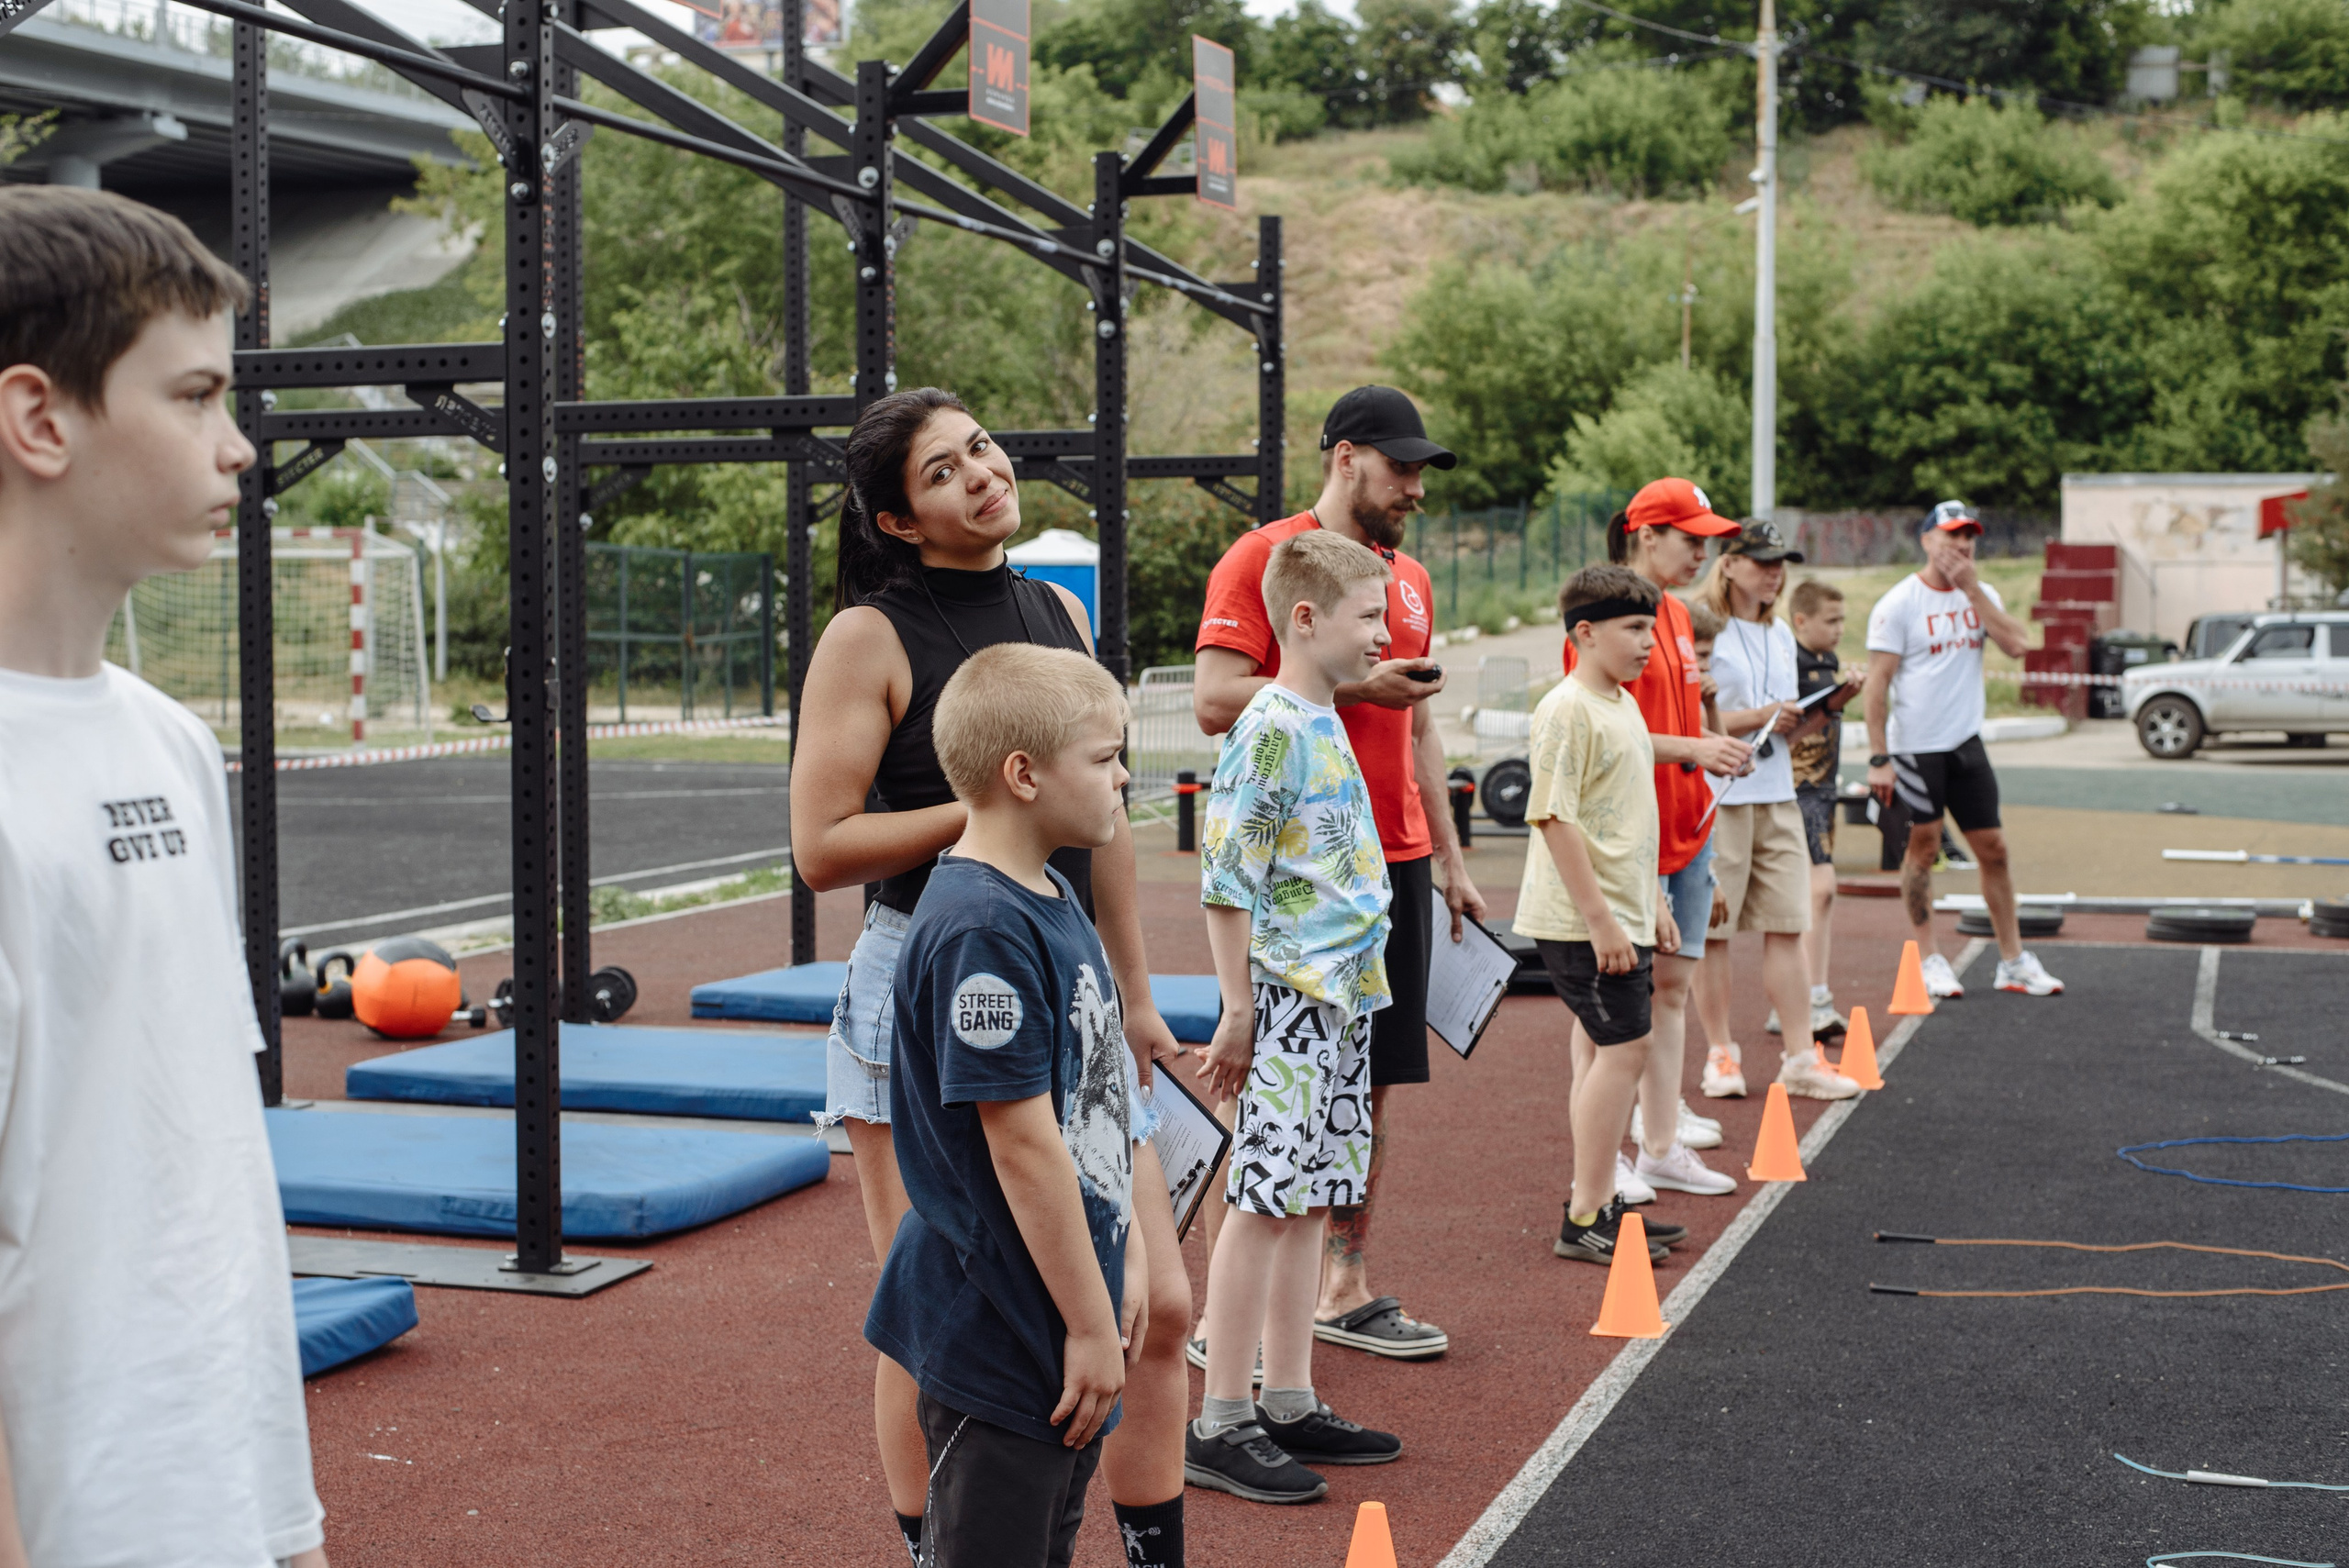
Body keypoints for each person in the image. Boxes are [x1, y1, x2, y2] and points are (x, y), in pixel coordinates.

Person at [790, 388, 1192, 1565]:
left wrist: (1133, 989)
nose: (979, 473)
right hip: (923, 970)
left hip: (1061, 968)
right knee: (945, 1322)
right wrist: (979, 812)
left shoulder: (1052, 608)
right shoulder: (870, 632)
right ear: (899, 520)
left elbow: (1100, 811)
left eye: (979, 447)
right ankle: (939, 1544)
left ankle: (1151, 1542)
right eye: (940, 471)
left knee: (1158, 1302)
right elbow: (821, 847)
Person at [0, 187, 327, 1567]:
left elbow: (199, 1168)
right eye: (194, 397)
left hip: (221, 1505)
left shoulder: (172, 745)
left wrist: (286, 1522)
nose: (240, 446)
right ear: (41, 419)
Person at [1193, 384, 1484, 1363]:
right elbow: (1211, 699)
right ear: (1347, 457)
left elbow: (1423, 720)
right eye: (1402, 467)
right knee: (1269, 1107)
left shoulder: (1406, 579)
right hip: (1296, 885)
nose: (1415, 487)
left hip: (1386, 860)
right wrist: (1356, 677)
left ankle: (1338, 1289)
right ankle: (1225, 1332)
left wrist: (1447, 853)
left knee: (1365, 1088)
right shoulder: (1267, 559)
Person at [863, 643, 1142, 1566]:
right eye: (1105, 758)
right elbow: (1021, 1143)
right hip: (1001, 1326)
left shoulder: (1051, 889)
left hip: (1053, 1315)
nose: (1124, 776)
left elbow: (1096, 1104)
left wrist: (1130, 1251)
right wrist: (1094, 1326)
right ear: (1022, 773)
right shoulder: (982, 929)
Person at [1188, 529, 1406, 1505]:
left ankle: (1286, 1392)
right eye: (1370, 616)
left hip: (1341, 997)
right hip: (1289, 999)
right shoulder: (1271, 723)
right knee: (1264, 1195)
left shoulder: (1320, 716)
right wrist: (1237, 1004)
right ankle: (1221, 1415)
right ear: (1307, 619)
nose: (1386, 633)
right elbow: (1227, 876)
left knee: (1309, 1193)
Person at [1566, 480, 1750, 1202]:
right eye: (1690, 535)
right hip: (1627, 838)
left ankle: (1661, 1145)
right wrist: (1697, 749)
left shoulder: (1675, 612)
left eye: (1707, 536)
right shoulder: (1604, 617)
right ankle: (1600, 1159)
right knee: (1606, 1009)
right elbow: (1603, 730)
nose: (1703, 549)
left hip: (1685, 826)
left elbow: (1666, 724)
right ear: (1647, 534)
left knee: (1670, 990)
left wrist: (1708, 748)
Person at [1519, 566, 1687, 1264]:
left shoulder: (1621, 701)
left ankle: (1598, 1198)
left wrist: (1650, 900)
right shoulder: (1567, 708)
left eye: (1652, 627)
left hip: (1621, 909)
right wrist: (1602, 919)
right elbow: (1553, 817)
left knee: (1600, 1047)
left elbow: (1627, 817)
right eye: (1635, 629)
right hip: (1583, 917)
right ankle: (1587, 1212)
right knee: (1626, 1047)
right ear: (1585, 633)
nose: (1651, 642)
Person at [1863, 502, 2065, 998]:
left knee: (1993, 850)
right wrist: (1879, 758)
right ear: (1927, 540)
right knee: (1923, 848)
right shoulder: (1899, 603)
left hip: (1965, 743)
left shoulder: (1981, 594)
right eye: (1951, 535)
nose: (1961, 545)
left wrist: (1973, 589)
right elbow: (1876, 684)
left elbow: (2019, 645)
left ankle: (2013, 960)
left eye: (1969, 536)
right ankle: (1929, 956)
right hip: (1916, 749)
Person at [1691, 521, 1860, 1102]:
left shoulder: (1783, 633)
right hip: (1723, 798)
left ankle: (1799, 1056)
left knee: (1788, 926)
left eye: (1780, 562)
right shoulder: (1704, 627)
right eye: (1762, 561)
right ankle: (1721, 1053)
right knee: (1715, 932)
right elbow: (1694, 720)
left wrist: (1830, 706)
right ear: (1729, 563)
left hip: (1777, 794)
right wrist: (1766, 713)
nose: (1774, 572)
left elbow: (1784, 729)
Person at [1769, 578, 1860, 1040]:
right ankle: (1806, 995)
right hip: (1796, 789)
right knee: (1819, 888)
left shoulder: (1828, 661)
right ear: (1800, 621)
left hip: (1823, 789)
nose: (1840, 629)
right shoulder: (1791, 663)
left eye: (1843, 620)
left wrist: (1841, 697)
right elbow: (1784, 732)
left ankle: (1810, 991)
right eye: (1831, 620)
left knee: (1820, 894)